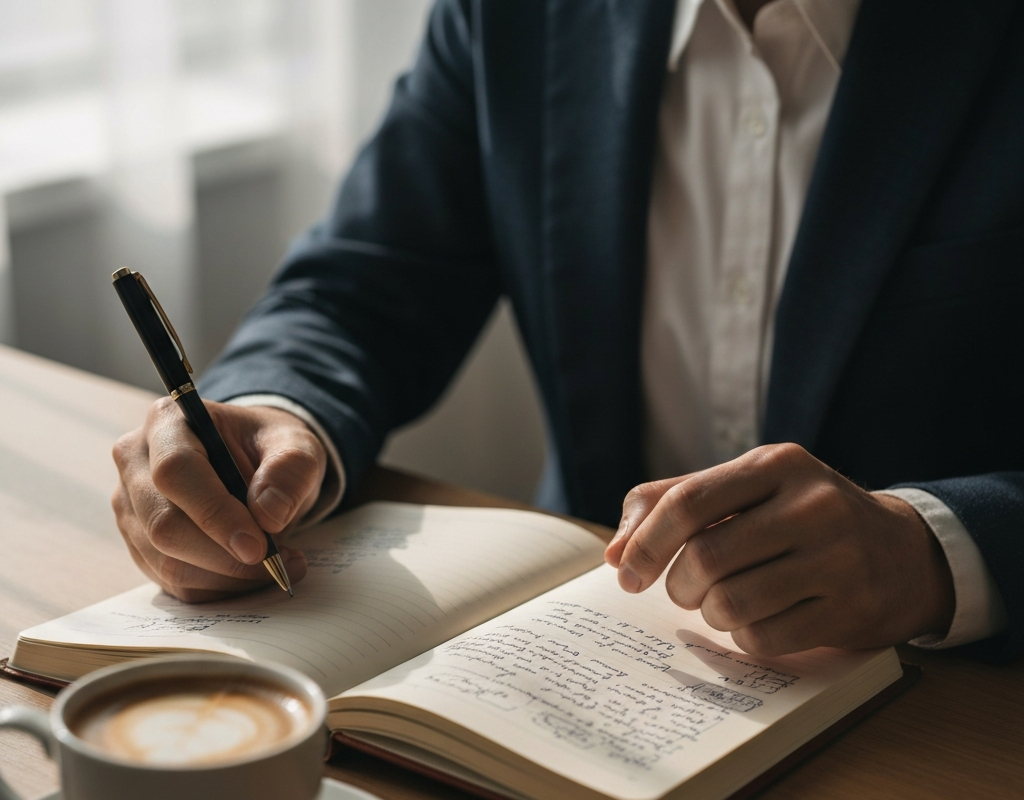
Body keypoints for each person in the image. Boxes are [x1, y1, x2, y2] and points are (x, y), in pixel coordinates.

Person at [111, 0, 1024, 661]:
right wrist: (273, 416)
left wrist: (931, 551)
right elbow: (363, 281)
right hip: (610, 655)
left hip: (961, 716)